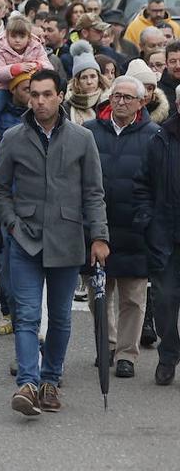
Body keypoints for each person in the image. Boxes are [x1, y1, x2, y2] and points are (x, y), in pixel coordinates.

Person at [0, 69, 109, 416]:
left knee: (60, 319)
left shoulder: (81, 138)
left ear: (60, 96)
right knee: (26, 316)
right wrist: (11, 223)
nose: (39, 100)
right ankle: (27, 383)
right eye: (34, 94)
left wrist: (99, 236)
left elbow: (94, 192)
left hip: (68, 238)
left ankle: (50, 381)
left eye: (46, 94)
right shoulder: (12, 137)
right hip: (25, 239)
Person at [83, 75, 158, 379]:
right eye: (117, 96)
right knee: (97, 294)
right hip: (97, 226)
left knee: (133, 297)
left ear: (142, 102)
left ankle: (127, 353)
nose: (121, 101)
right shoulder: (89, 132)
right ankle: (108, 345)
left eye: (128, 97)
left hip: (135, 227)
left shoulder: (154, 135)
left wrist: (147, 220)